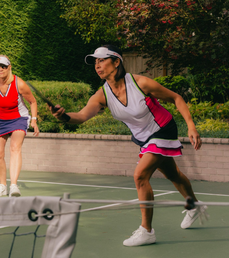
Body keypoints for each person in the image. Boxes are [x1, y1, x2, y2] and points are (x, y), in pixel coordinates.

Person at [50, 45, 208, 246]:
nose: (97, 66)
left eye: (102, 60)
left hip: (162, 129)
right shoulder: (102, 94)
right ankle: (194, 206)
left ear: (116, 62)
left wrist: (191, 126)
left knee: (140, 175)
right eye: (95, 62)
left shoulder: (140, 83)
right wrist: (63, 116)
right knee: (172, 174)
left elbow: (175, 97)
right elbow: (81, 116)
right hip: (143, 138)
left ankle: (147, 231)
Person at [0, 55, 39, 198]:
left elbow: (33, 102)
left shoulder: (19, 84)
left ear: (9, 68)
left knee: (14, 148)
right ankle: (2, 185)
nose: (1, 69)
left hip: (19, 118)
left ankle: (14, 186)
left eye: (4, 66)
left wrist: (34, 120)